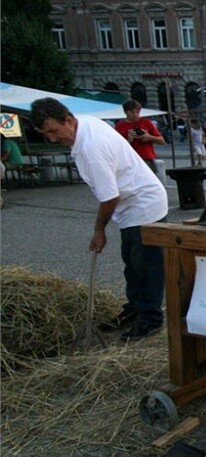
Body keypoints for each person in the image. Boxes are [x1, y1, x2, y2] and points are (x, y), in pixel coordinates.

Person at [31, 97, 168, 342]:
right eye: (46, 134)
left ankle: (150, 318)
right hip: (130, 206)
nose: (52, 138)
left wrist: (99, 231)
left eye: (54, 131)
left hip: (143, 206)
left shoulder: (91, 148)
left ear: (68, 120)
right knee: (132, 264)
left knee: (146, 267)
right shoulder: (84, 125)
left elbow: (110, 197)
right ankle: (134, 309)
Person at [115, 99, 165, 174]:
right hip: (130, 160)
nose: (135, 115)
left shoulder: (146, 122)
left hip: (147, 158)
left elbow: (162, 141)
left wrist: (149, 137)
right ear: (125, 112)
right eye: (132, 112)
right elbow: (116, 147)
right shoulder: (119, 126)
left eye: (137, 112)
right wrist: (129, 140)